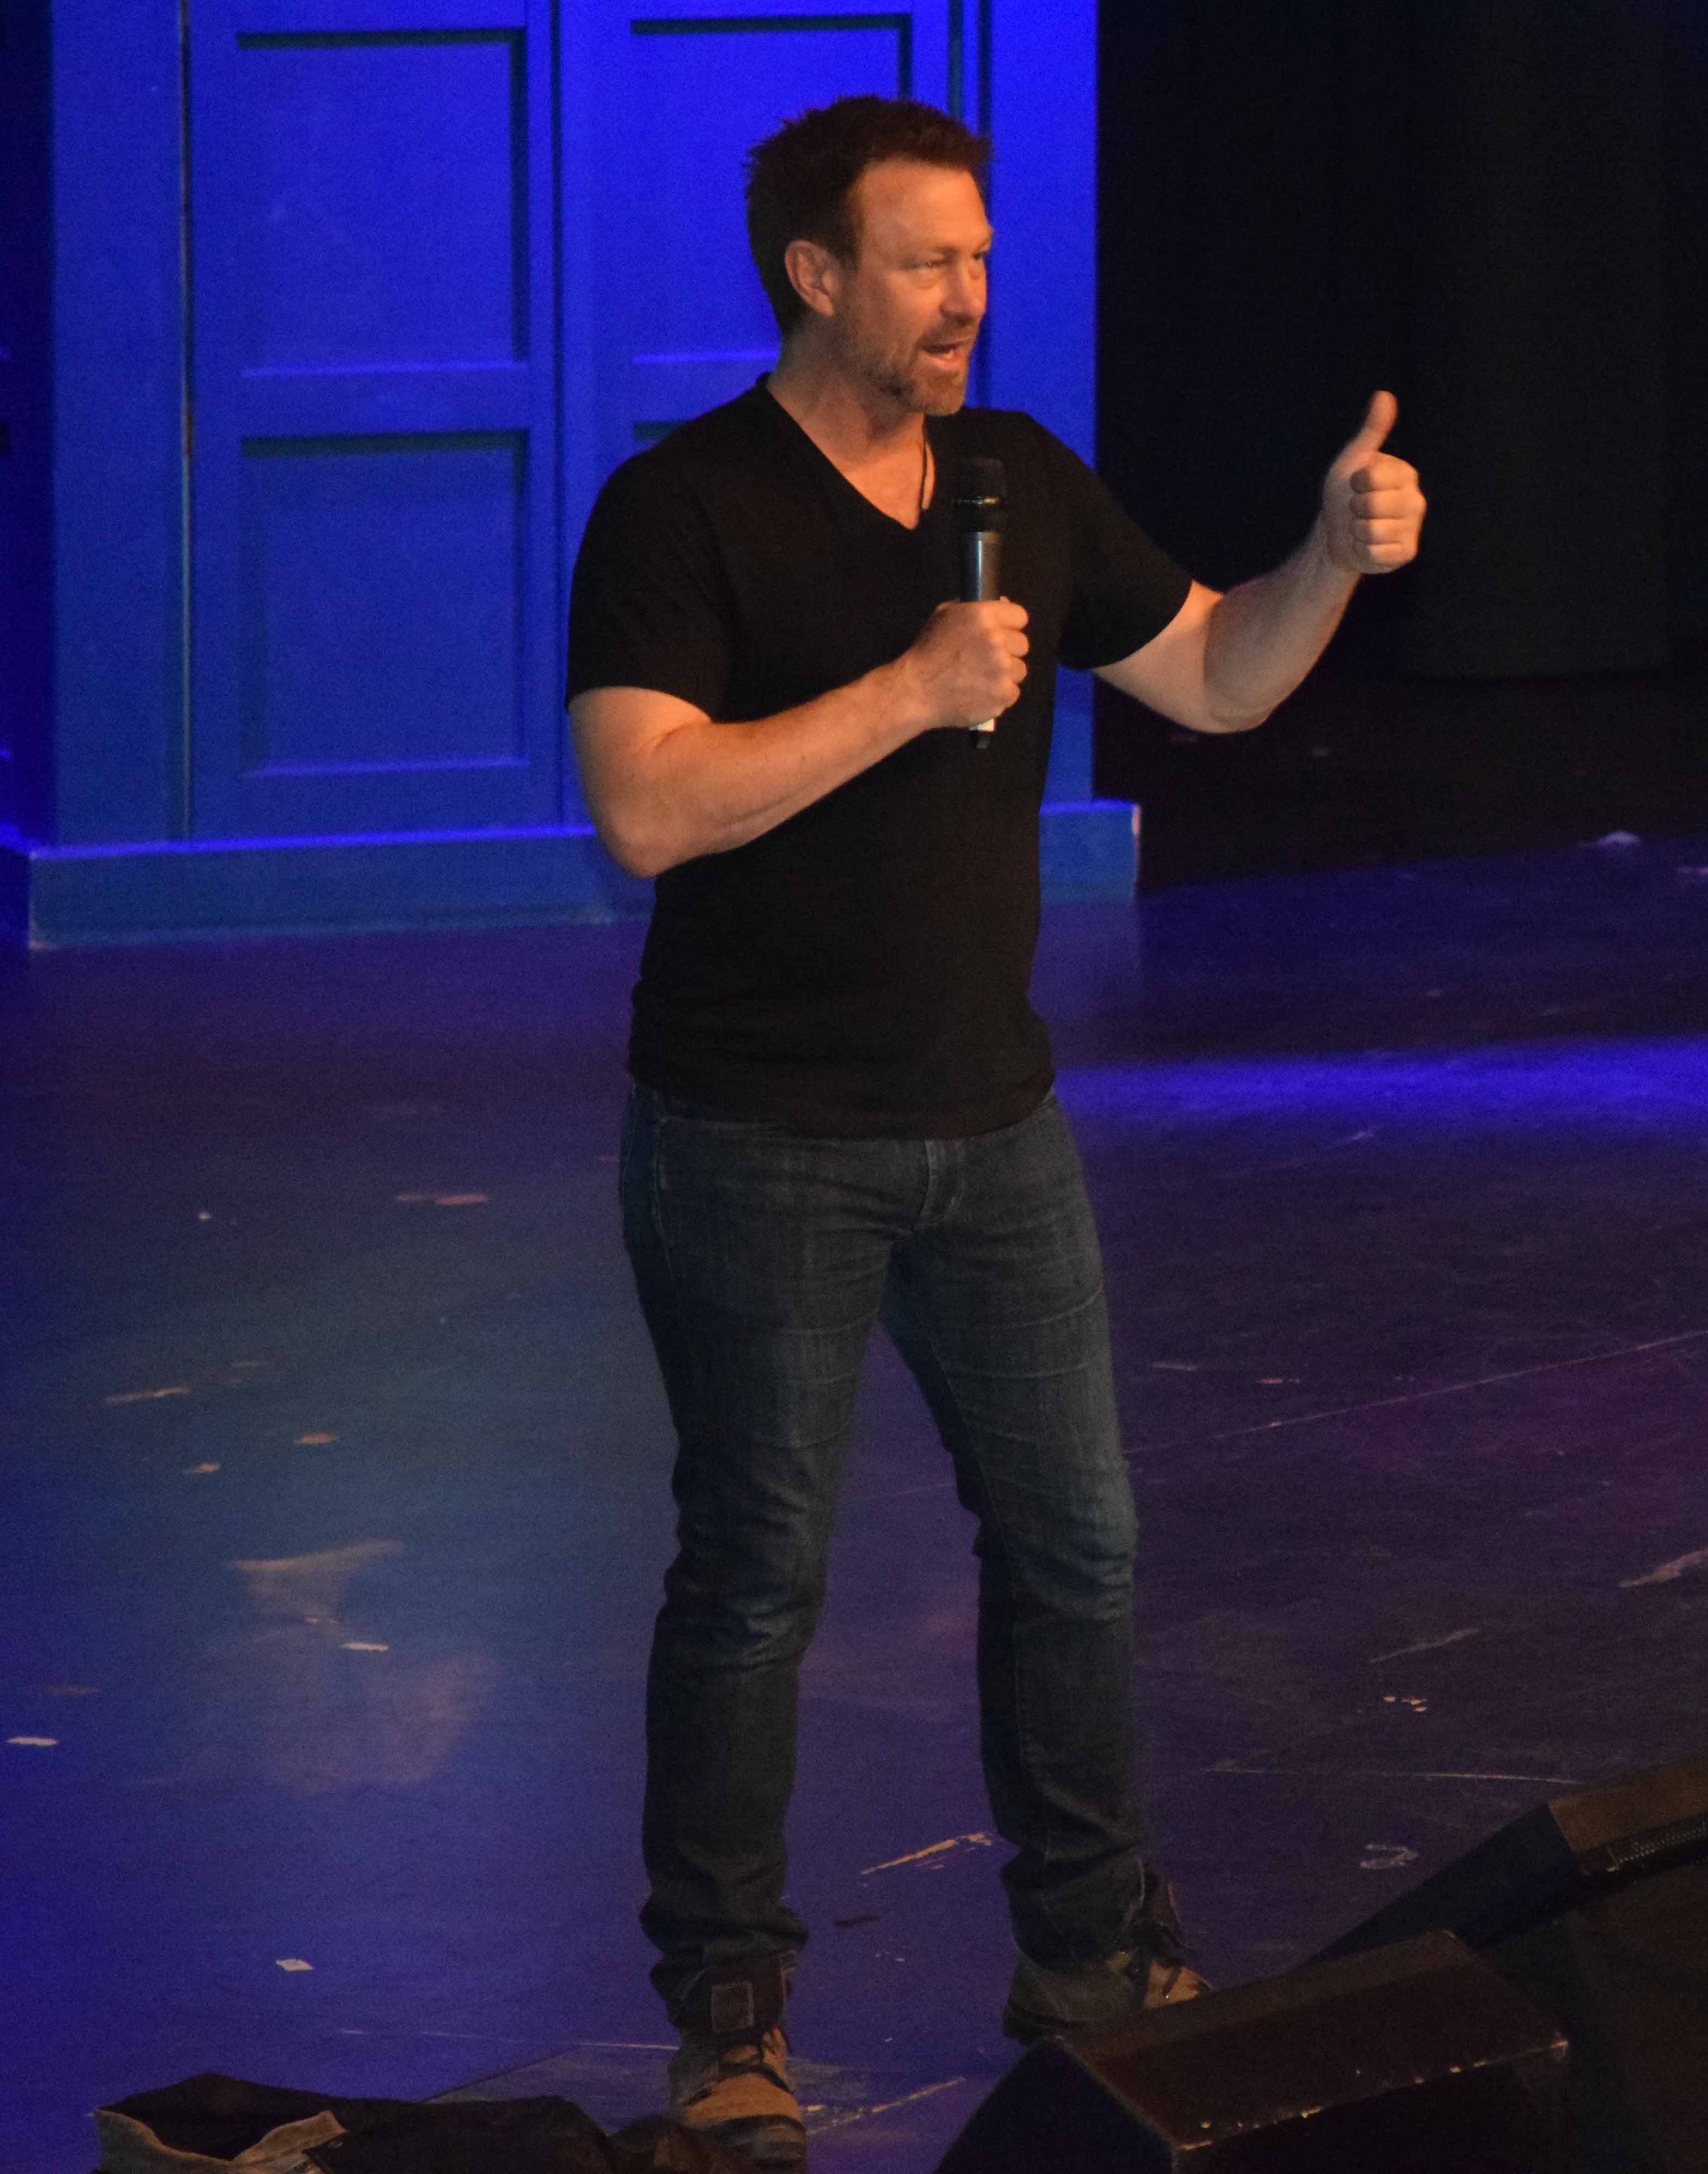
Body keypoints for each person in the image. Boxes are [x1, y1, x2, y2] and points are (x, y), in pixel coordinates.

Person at [566, 94, 1425, 2170]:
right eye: (924, 262)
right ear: (816, 276)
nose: (967, 297)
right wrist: (910, 687)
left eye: (976, 257)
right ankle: (731, 2014)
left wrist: (1327, 556)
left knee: (1078, 1545)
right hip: (757, 1132)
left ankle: (1093, 1963)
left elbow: (1213, 674)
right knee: (754, 1577)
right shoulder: (681, 507)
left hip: (994, 1126)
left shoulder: (1014, 475)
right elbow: (646, 806)